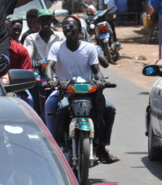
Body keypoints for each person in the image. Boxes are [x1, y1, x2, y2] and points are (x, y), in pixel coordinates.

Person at [45, 16, 119, 163]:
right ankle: (56, 145)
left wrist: (100, 81)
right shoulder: (56, 47)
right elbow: (50, 66)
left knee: (109, 108)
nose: (68, 29)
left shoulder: (90, 48)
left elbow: (96, 70)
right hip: (65, 90)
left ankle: (101, 147)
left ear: (79, 29)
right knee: (56, 106)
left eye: (71, 26)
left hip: (87, 91)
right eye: (65, 26)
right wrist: (51, 79)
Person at [24, 9, 65, 115]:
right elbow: (27, 59)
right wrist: (38, 63)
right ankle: (36, 114)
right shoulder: (31, 38)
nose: (45, 22)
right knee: (34, 85)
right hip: (39, 74)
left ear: (51, 20)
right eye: (42, 19)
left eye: (48, 19)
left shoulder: (60, 37)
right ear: (39, 21)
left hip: (57, 73)